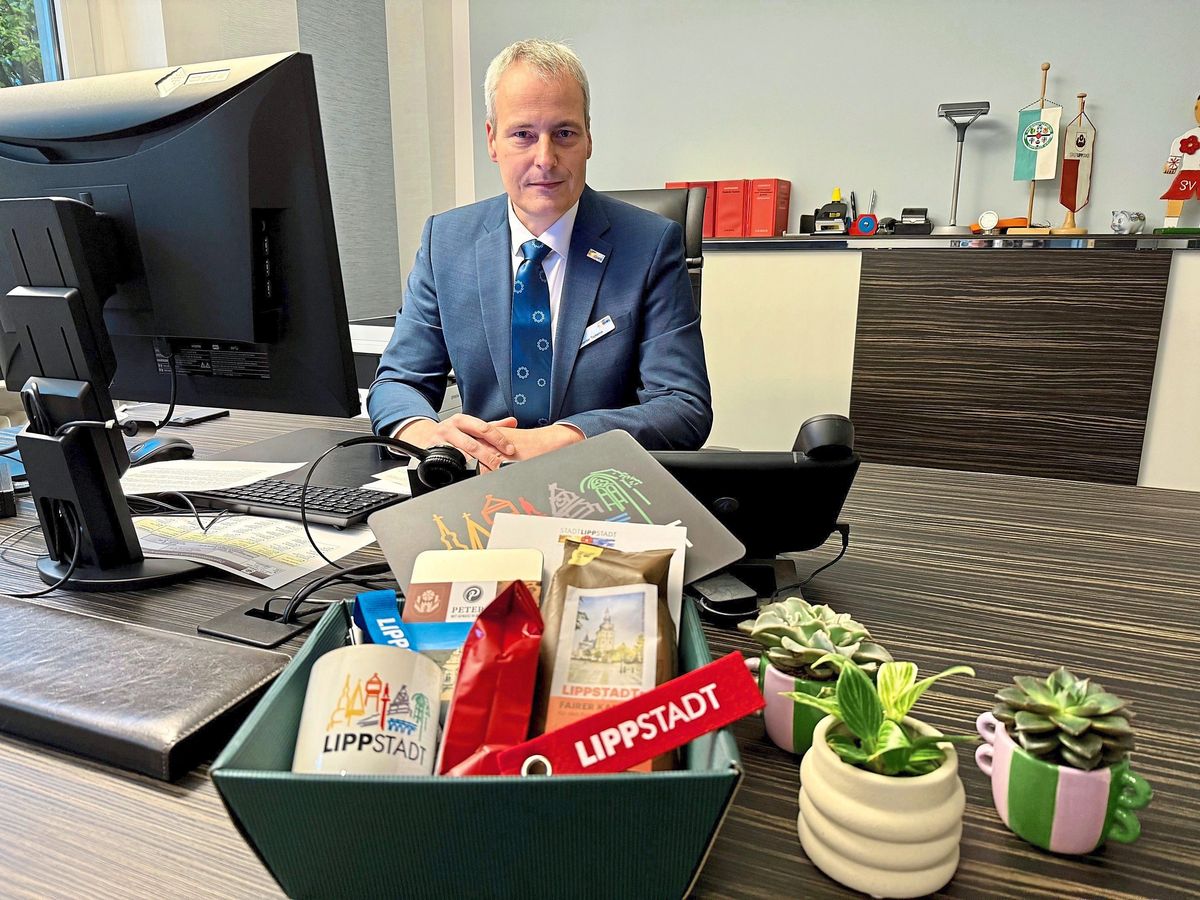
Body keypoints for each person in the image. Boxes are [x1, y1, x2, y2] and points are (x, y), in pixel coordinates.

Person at [367, 39, 711, 471]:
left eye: (564, 133)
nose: (545, 159)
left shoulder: (650, 244)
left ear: (588, 138)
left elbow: (682, 405)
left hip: (600, 481)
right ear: (492, 141)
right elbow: (398, 381)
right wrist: (428, 435)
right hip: (482, 483)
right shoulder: (446, 242)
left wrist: (559, 440)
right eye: (523, 135)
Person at [1161, 94, 1200, 228]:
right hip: (1188, 173)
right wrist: (1172, 164)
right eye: (1196, 108)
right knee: (1175, 197)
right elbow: (1178, 145)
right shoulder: (1190, 135)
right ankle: (1169, 225)